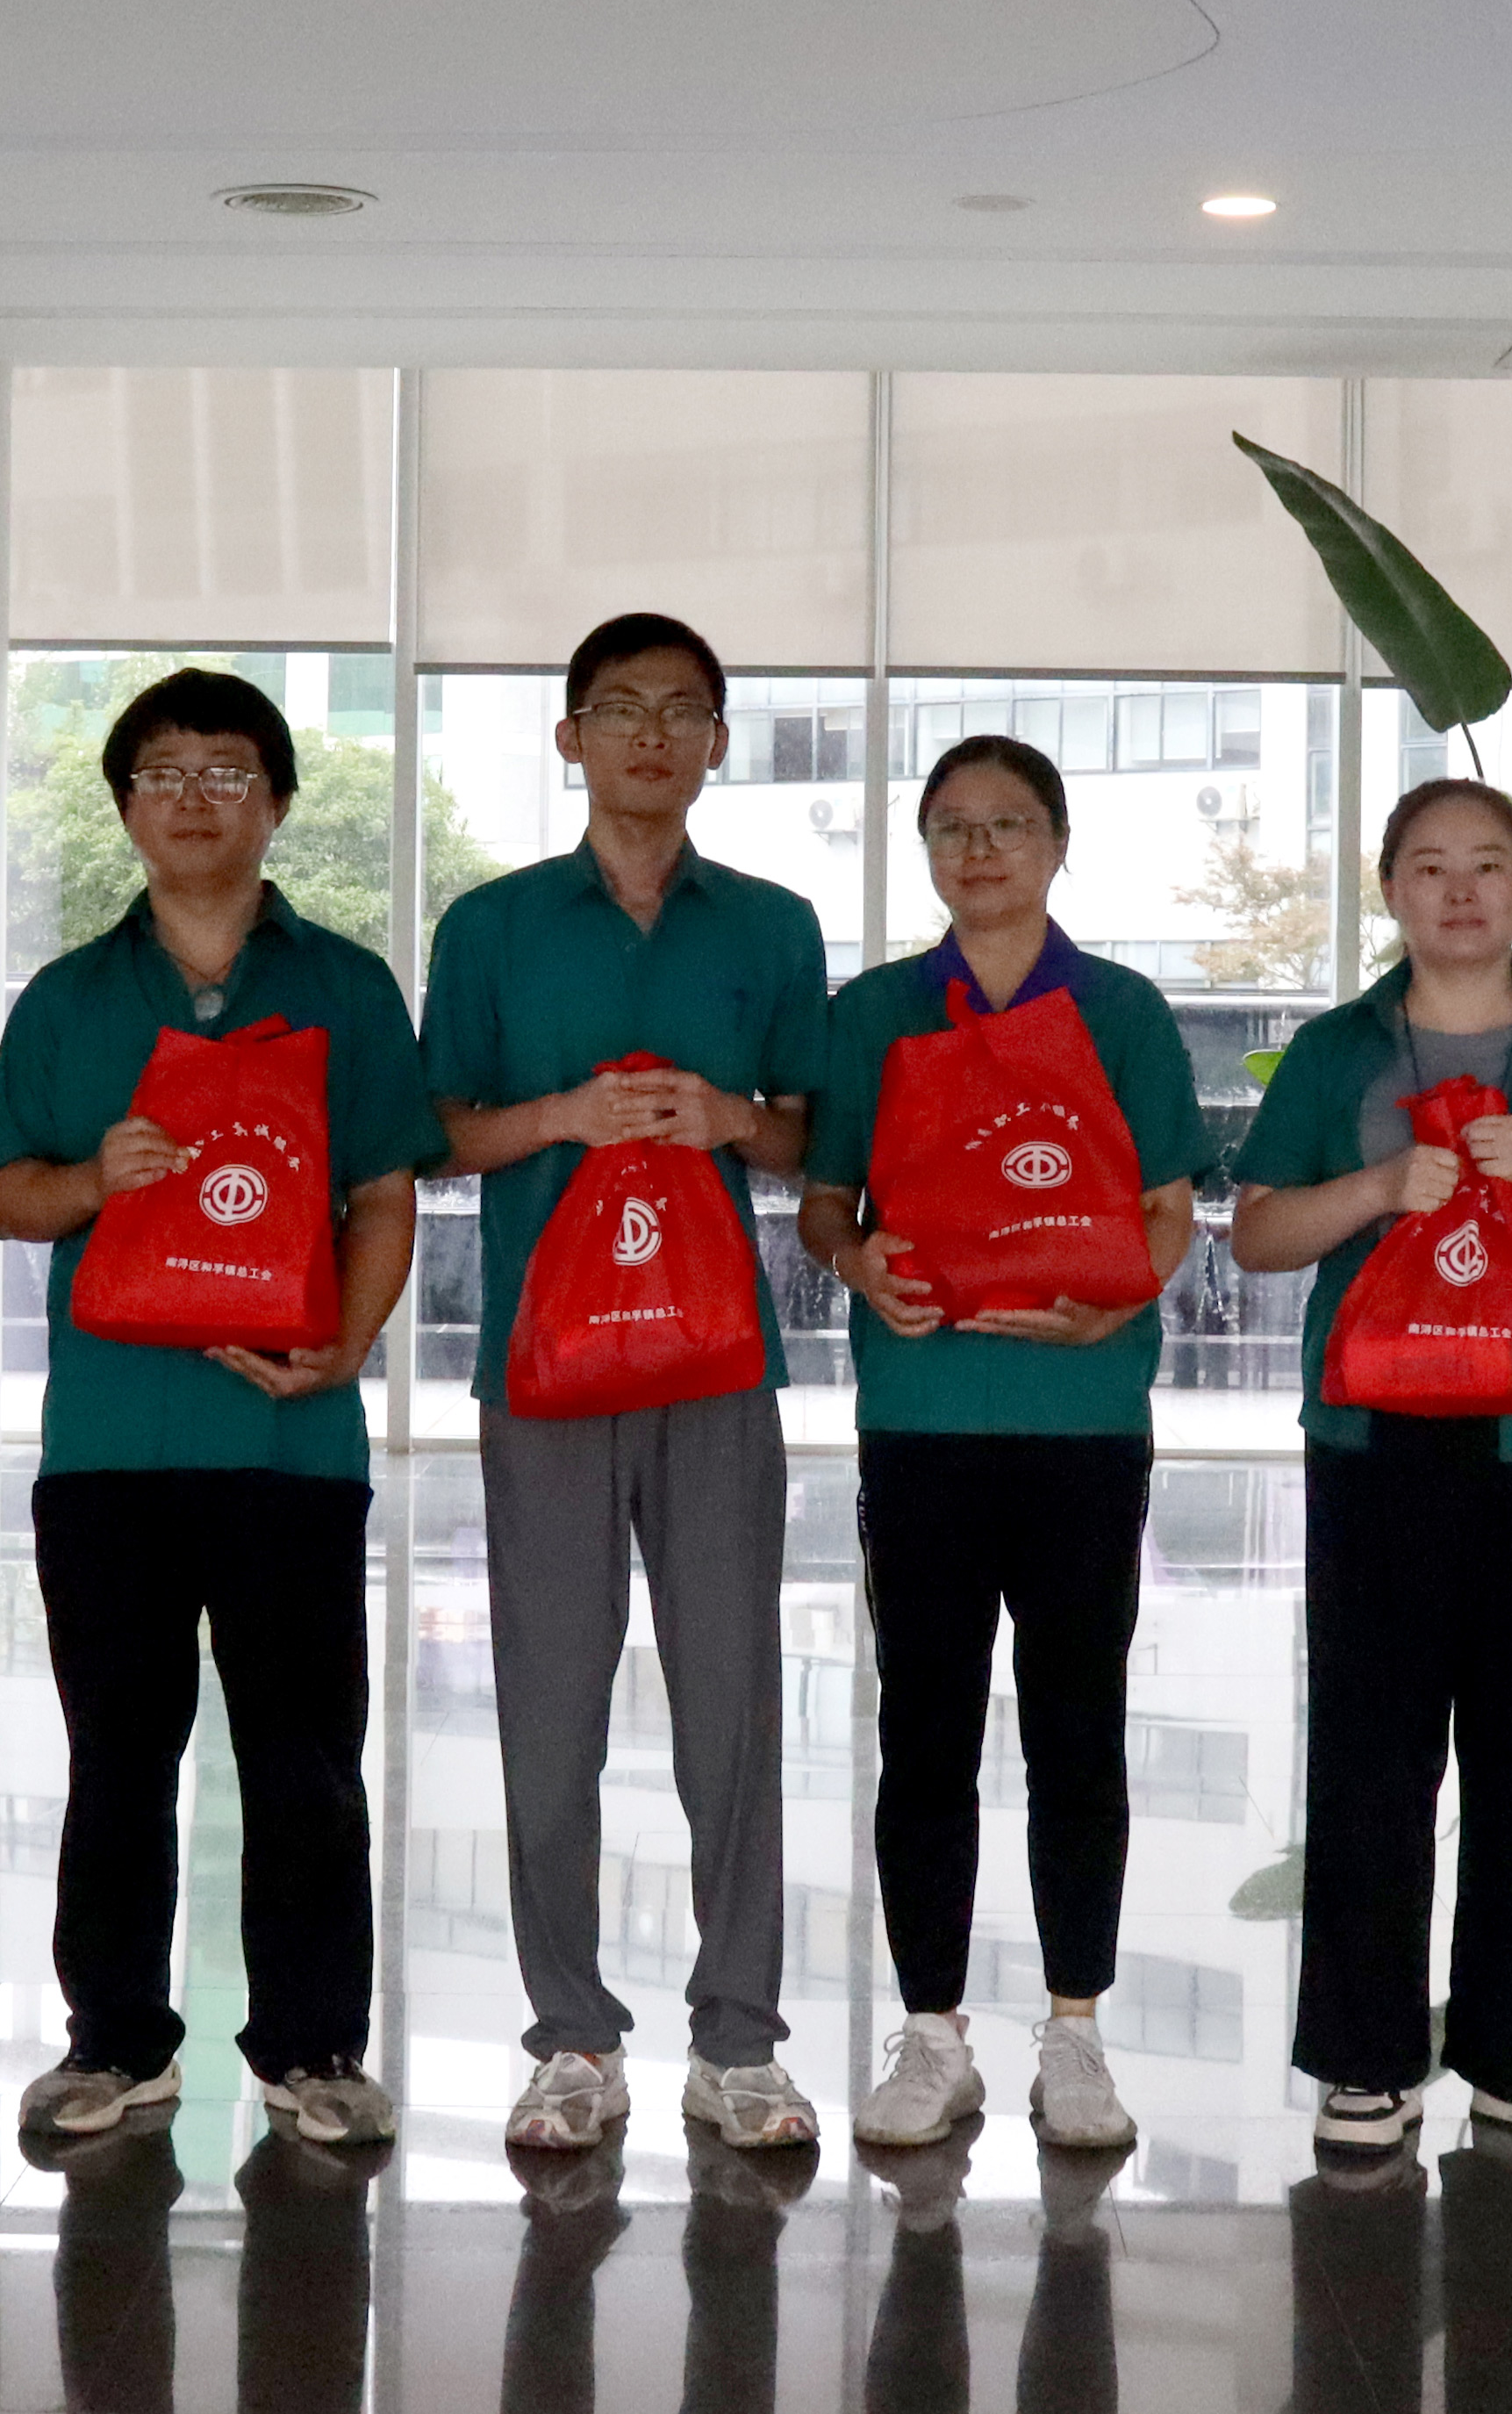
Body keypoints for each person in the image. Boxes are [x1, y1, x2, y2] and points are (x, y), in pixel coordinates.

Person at [0, 669, 448, 2152]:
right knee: (118, 1753)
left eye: (226, 770)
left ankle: (312, 2045)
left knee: (304, 1762)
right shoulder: (68, 998)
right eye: (163, 772)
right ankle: (115, 2039)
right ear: (125, 806)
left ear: (277, 802)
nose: (193, 797)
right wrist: (91, 1179)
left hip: (290, 1443)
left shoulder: (347, 987)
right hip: (110, 1448)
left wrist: (345, 1345)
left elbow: (386, 1192)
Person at [1229, 778, 1512, 2159]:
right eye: (1429, 866)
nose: (1461, 891)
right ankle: (1365, 2055)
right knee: (1370, 1755)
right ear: (1391, 889)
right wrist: (1378, 1190)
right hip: (1373, 1443)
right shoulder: (1338, 1050)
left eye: (1488, 863)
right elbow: (1257, 1232)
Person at [423, 610, 833, 2152]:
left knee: (733, 1700)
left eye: (679, 711)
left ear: (716, 742)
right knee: (549, 1700)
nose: (649, 734)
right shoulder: (493, 926)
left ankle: (739, 2040)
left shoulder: (773, 925)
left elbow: (816, 1133)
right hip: (544, 1366)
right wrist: (562, 1118)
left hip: (717, 1364)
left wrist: (732, 1118)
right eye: (618, 708)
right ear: (571, 737)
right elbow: (435, 1129)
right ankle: (572, 2036)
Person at [797, 736, 1211, 2152]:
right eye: (954, 827)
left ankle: (1076, 2032)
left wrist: (1117, 1306)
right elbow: (827, 1199)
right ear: (926, 849)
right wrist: (856, 1263)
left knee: (1076, 1729)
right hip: (922, 1417)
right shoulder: (875, 1013)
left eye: (1010, 824)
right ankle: (931, 2034)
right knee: (923, 1731)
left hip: (1082, 1422)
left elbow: (1168, 1206)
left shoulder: (1122, 1011)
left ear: (1058, 844)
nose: (981, 851)